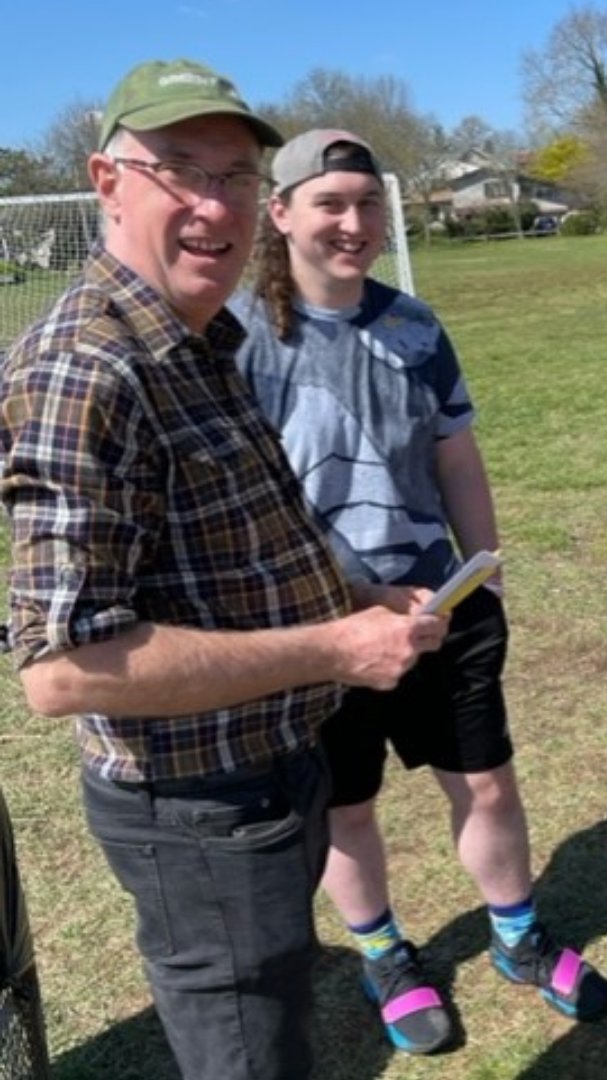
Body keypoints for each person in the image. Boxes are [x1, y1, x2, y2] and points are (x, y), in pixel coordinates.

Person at [0, 62, 448, 1080]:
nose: (214, 205)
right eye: (179, 172)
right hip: (198, 810)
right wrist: (336, 646)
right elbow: (62, 671)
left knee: (281, 1024)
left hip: (272, 771)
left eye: (238, 176)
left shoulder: (202, 336)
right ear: (106, 182)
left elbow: (232, 549)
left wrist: (355, 598)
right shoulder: (86, 370)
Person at [230, 129, 607, 1055]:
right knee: (348, 805)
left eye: (366, 203)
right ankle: (385, 956)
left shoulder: (415, 327)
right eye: (330, 204)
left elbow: (457, 454)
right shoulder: (234, 339)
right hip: (320, 628)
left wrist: (481, 572)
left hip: (438, 609)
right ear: (279, 215)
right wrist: (340, 603)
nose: (353, 223)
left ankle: (518, 938)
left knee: (483, 783)